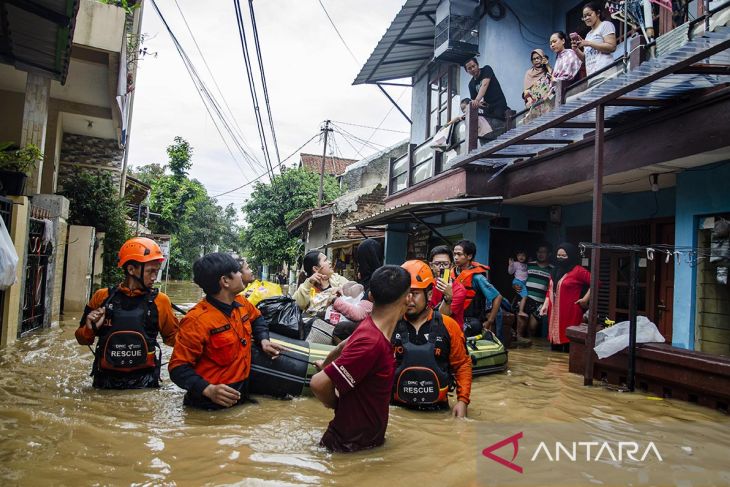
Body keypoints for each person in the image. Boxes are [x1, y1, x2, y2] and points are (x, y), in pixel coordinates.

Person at [310, 265, 411, 452]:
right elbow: (318, 383)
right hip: (348, 449)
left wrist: (326, 365)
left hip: (359, 445)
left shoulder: (368, 326)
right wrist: (337, 405)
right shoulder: (372, 342)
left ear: (370, 296)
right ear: (408, 298)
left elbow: (342, 346)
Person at [168, 253, 284, 409]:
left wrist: (263, 339)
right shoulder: (196, 320)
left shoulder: (241, 302)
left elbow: (257, 319)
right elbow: (178, 368)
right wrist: (208, 389)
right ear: (225, 281)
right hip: (209, 406)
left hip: (241, 394)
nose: (241, 274)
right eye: (237, 271)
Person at [75, 237, 179, 389]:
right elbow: (82, 340)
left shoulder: (161, 301)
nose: (154, 277)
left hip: (145, 382)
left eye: (156, 271)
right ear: (131, 269)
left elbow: (173, 339)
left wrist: (193, 330)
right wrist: (90, 327)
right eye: (150, 271)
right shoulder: (101, 297)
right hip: (105, 381)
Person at [392, 260, 472, 417]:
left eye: (414, 293)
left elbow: (462, 365)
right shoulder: (390, 325)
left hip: (437, 411)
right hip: (397, 410)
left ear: (429, 294)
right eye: (404, 294)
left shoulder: (448, 326)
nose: (408, 300)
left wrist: (462, 401)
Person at [540, 243, 591, 352]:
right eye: (558, 256)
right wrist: (545, 304)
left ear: (571, 256)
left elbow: (596, 282)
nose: (560, 258)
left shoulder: (578, 270)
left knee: (569, 344)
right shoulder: (554, 271)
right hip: (554, 312)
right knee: (555, 346)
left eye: (564, 256)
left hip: (571, 312)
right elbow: (550, 289)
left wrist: (585, 299)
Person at [452, 240, 502, 338]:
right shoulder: (450, 273)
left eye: (459, 254)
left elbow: (498, 297)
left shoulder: (478, 278)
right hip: (454, 316)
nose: (455, 257)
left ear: (469, 256)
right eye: (454, 254)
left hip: (472, 320)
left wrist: (489, 321)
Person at [516, 243, 553, 340]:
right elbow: (518, 277)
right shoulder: (528, 265)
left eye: (544, 252)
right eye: (539, 252)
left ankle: (530, 351)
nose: (541, 254)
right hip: (526, 299)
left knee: (532, 328)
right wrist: (514, 285)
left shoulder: (552, 269)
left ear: (549, 254)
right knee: (520, 327)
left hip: (540, 302)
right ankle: (519, 352)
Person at [571, 1, 617, 77]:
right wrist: (576, 50)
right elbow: (586, 59)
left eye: (589, 14)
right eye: (584, 16)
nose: (586, 18)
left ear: (598, 13)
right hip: (591, 76)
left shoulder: (605, 25)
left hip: (606, 73)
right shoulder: (588, 35)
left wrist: (589, 43)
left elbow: (612, 47)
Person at [464, 57, 510, 132]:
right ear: (467, 71)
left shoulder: (486, 69)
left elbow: (485, 84)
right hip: (488, 108)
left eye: (473, 66)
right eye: (469, 68)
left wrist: (477, 100)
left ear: (477, 65)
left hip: (498, 103)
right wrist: (480, 104)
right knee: (489, 128)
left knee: (498, 124)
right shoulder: (471, 85)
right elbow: (475, 102)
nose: (472, 69)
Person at [428, 245, 467, 328]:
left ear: (451, 266)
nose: (441, 267)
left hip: (450, 333)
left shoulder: (459, 289)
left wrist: (448, 297)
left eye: (445, 264)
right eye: (437, 263)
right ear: (431, 265)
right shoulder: (427, 285)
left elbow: (442, 317)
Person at [508, 249, 529, 318]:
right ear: (516, 256)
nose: (521, 257)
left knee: (523, 296)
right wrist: (511, 265)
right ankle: (521, 311)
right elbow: (510, 272)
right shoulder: (516, 263)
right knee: (525, 296)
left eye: (523, 255)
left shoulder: (527, 265)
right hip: (517, 281)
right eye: (519, 255)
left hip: (523, 283)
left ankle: (519, 306)